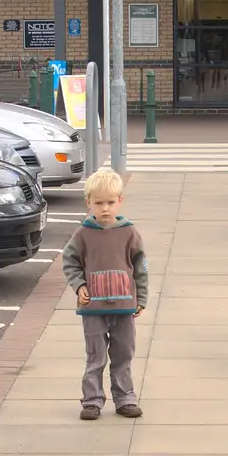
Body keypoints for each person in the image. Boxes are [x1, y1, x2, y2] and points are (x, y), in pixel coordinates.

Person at [62, 169, 147, 420]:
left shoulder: (129, 233)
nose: (105, 208)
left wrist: (141, 298)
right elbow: (70, 262)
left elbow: (141, 266)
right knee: (95, 356)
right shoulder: (83, 234)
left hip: (124, 307)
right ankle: (92, 401)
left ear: (120, 200)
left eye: (110, 202)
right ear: (89, 203)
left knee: (123, 354)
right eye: (99, 203)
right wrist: (79, 285)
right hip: (93, 310)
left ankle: (125, 398)